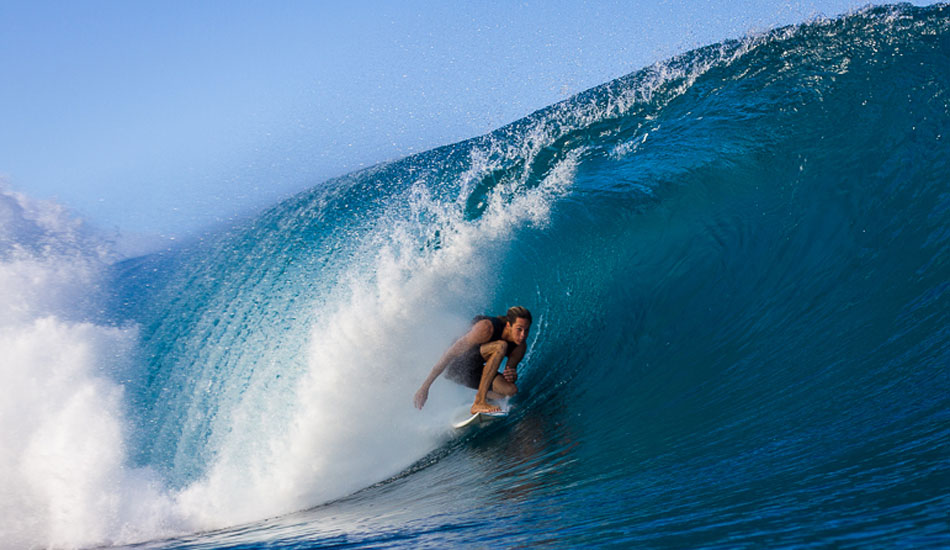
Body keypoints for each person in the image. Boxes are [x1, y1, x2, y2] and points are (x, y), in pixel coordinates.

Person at [414, 306, 532, 414]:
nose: (523, 335)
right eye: (519, 329)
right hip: (456, 367)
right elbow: (449, 354)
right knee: (501, 346)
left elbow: (509, 375)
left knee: (510, 390)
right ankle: (479, 402)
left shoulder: (519, 347)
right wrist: (425, 386)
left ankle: (487, 398)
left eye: (526, 330)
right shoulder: (486, 328)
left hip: (474, 372)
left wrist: (512, 376)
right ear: (508, 325)